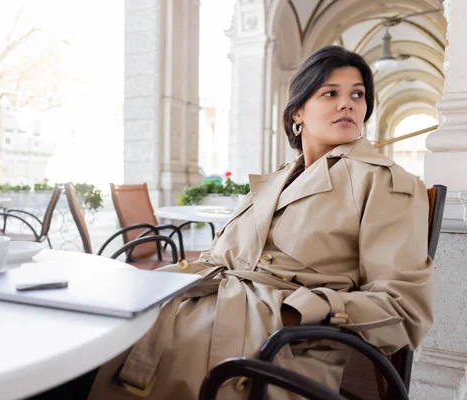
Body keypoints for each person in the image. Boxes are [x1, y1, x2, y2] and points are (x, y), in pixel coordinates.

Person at [67, 45, 433, 400]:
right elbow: (222, 257)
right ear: (298, 113)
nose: (347, 103)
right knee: (86, 329)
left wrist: (297, 312)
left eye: (357, 94)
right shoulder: (276, 180)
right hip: (203, 312)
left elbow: (404, 309)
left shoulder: (384, 183)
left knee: (82, 365)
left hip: (272, 346)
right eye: (330, 93)